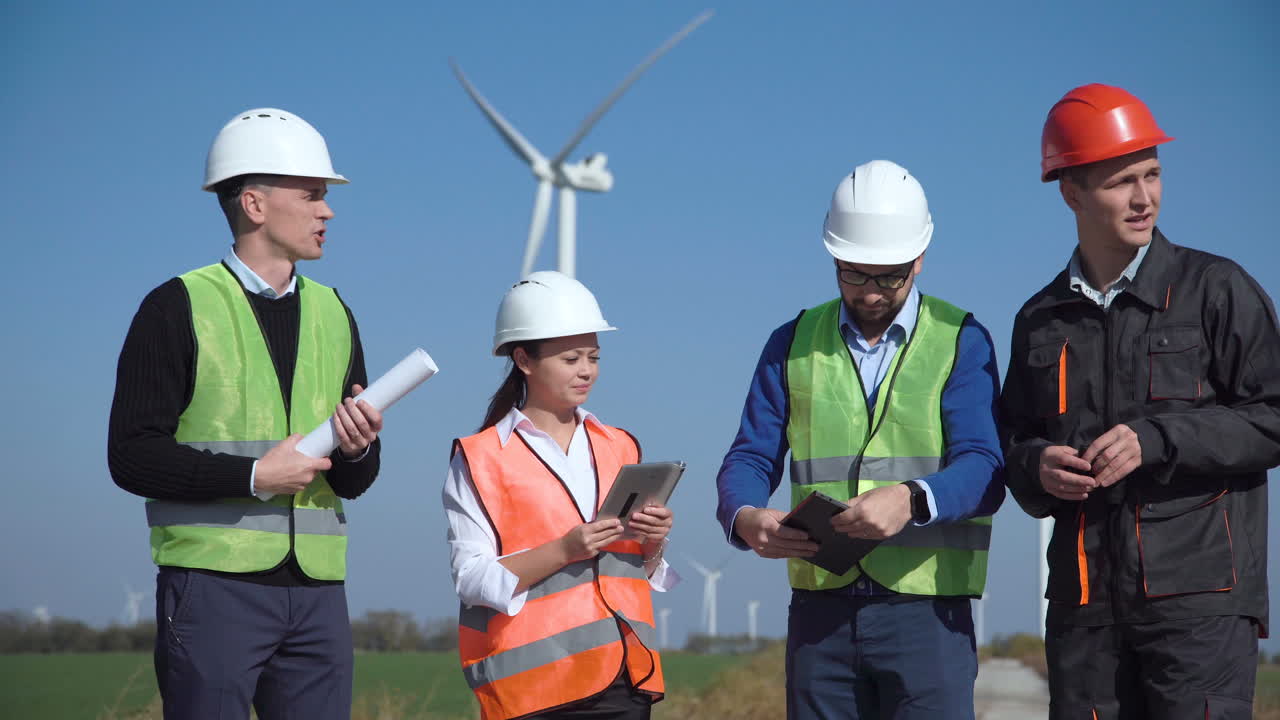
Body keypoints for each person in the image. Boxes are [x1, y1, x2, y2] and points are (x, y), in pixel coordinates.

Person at [999, 83, 1280, 718]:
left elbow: (1273, 416)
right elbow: (1012, 443)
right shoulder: (1041, 320)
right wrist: (1036, 464)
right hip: (1084, 614)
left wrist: (1156, 439)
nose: (1143, 197)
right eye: (1122, 181)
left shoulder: (1217, 289)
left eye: (1152, 174)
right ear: (1071, 191)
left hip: (1200, 609)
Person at [108, 108, 384, 719]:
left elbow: (354, 483)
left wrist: (359, 449)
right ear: (254, 205)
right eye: (312, 194)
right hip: (211, 588)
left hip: (318, 598)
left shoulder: (336, 313)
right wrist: (254, 477)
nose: (327, 211)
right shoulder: (176, 307)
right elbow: (130, 455)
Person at [716, 160, 1005, 719]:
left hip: (929, 617)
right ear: (833, 257)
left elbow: (986, 467)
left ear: (919, 259)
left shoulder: (962, 340)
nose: (870, 292)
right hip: (821, 615)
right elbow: (751, 454)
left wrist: (911, 498)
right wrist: (744, 515)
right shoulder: (792, 340)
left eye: (889, 276)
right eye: (853, 273)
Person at [444, 271, 677, 720]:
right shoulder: (480, 457)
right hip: (533, 690)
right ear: (524, 360)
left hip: (625, 679)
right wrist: (564, 549)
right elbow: (472, 579)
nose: (587, 370)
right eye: (571, 358)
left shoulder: (621, 445)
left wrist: (654, 540)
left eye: (593, 356)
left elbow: (632, 569)